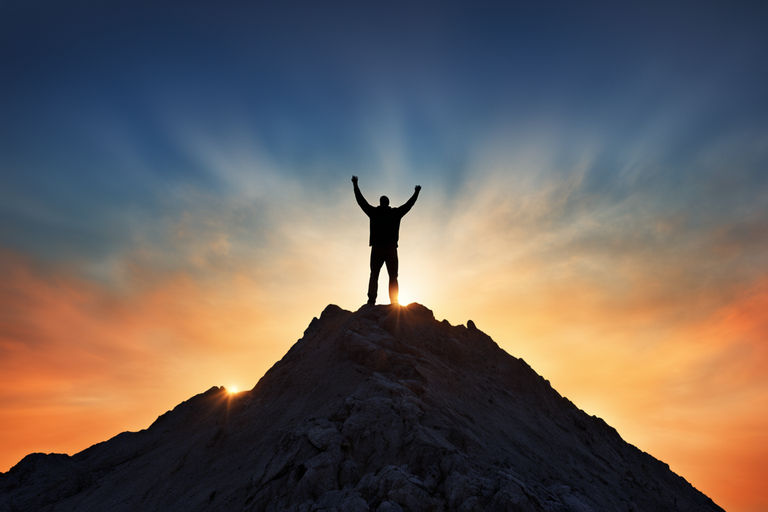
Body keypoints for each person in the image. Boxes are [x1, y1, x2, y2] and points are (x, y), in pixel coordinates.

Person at [352, 175, 421, 305]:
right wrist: (416, 193)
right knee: (389, 276)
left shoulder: (375, 212)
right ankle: (391, 301)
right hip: (388, 248)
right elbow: (409, 205)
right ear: (387, 203)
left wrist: (355, 185)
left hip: (380, 248)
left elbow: (361, 201)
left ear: (381, 202)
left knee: (377, 275)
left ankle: (374, 300)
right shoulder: (394, 213)